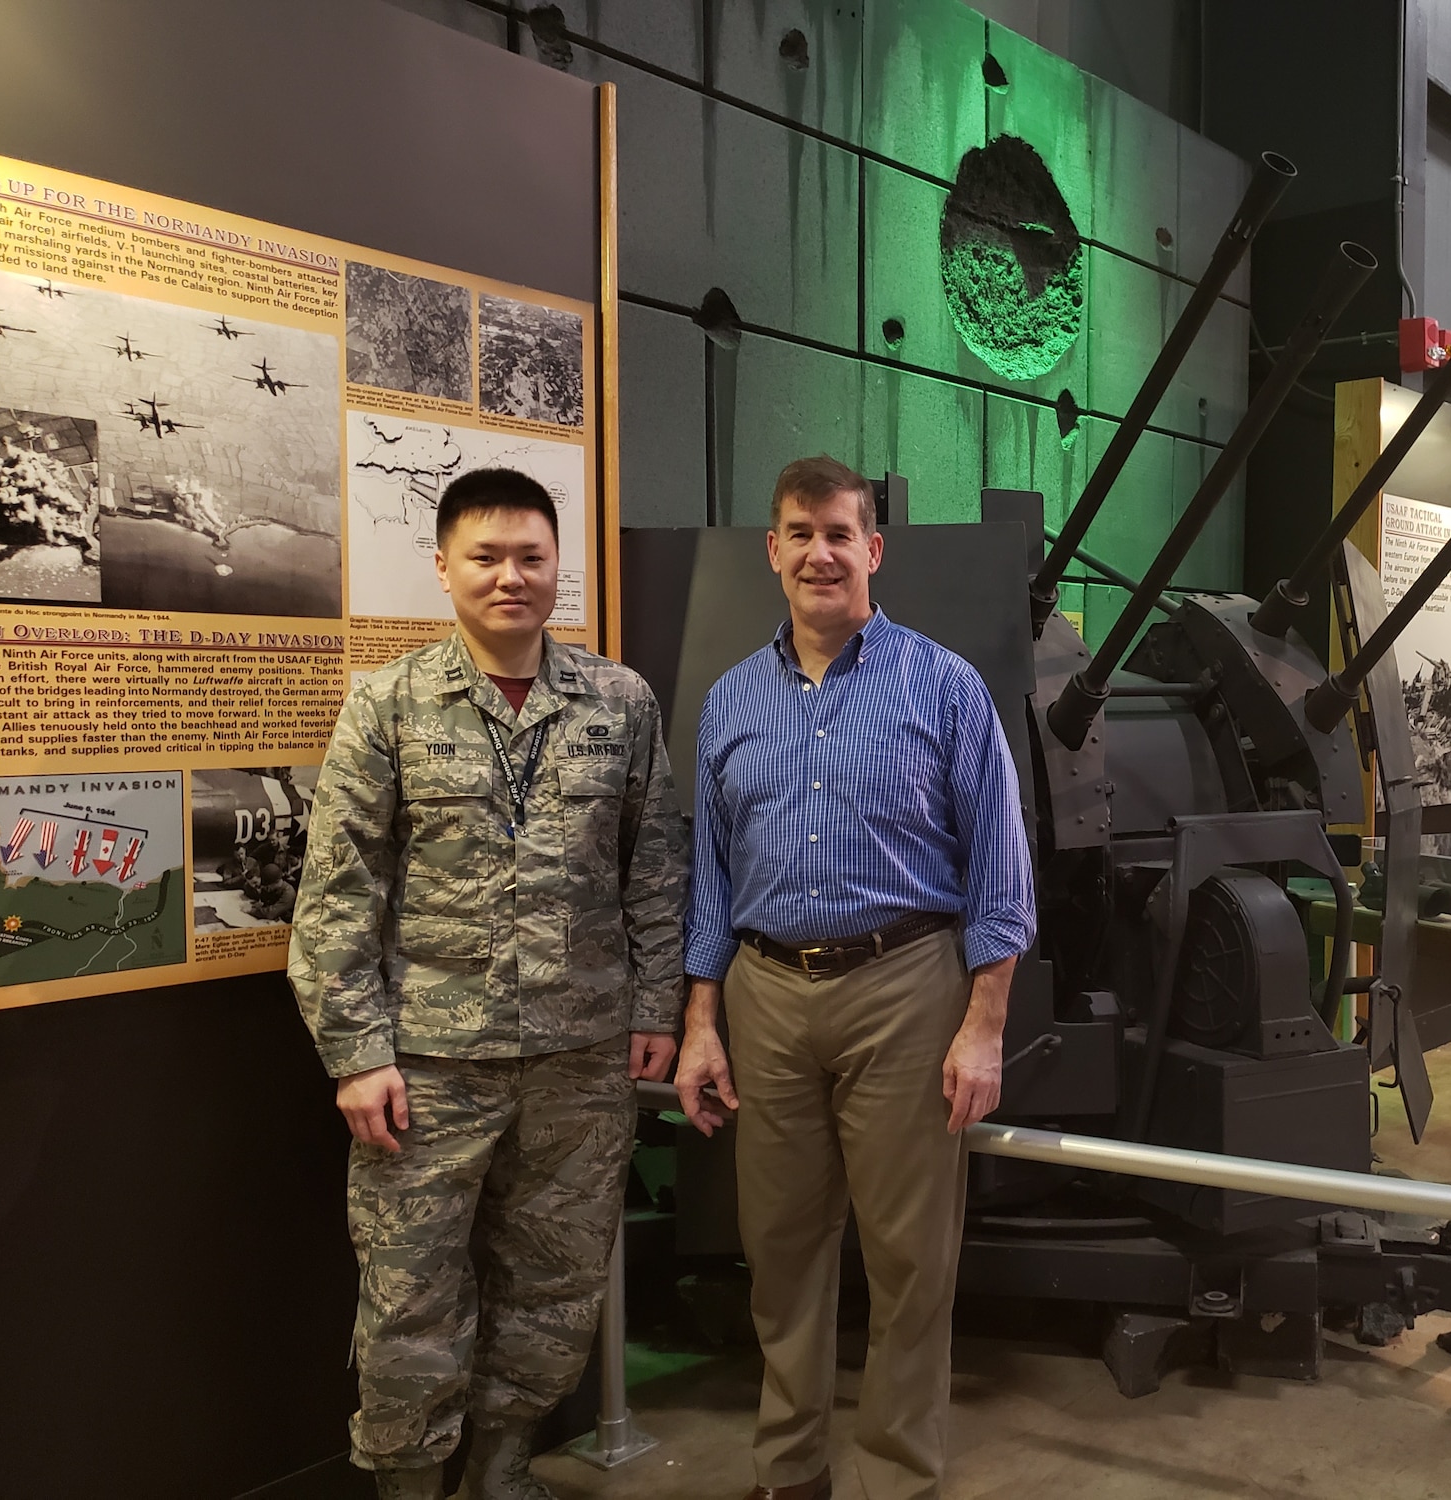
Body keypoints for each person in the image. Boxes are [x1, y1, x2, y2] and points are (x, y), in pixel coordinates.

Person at [288, 467, 685, 1500]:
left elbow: (653, 870)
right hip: (427, 1065)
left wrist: (655, 1012)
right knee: (410, 1297)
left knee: (554, 1292)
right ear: (443, 568)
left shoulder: (619, 702)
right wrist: (356, 1056)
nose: (509, 577)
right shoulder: (388, 705)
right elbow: (338, 892)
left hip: (579, 1059)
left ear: (559, 570)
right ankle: (412, 1489)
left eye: (530, 557)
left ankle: (500, 1473)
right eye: (485, 557)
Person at [675, 454, 1036, 1500]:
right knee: (778, 1251)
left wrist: (983, 1024)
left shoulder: (943, 685)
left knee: (909, 1263)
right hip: (766, 995)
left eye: (839, 533)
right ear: (773, 551)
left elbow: (1000, 870)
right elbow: (708, 876)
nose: (819, 552)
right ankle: (790, 1471)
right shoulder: (730, 702)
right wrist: (702, 1021)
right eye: (799, 532)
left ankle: (897, 1478)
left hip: (905, 988)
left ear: (872, 550)